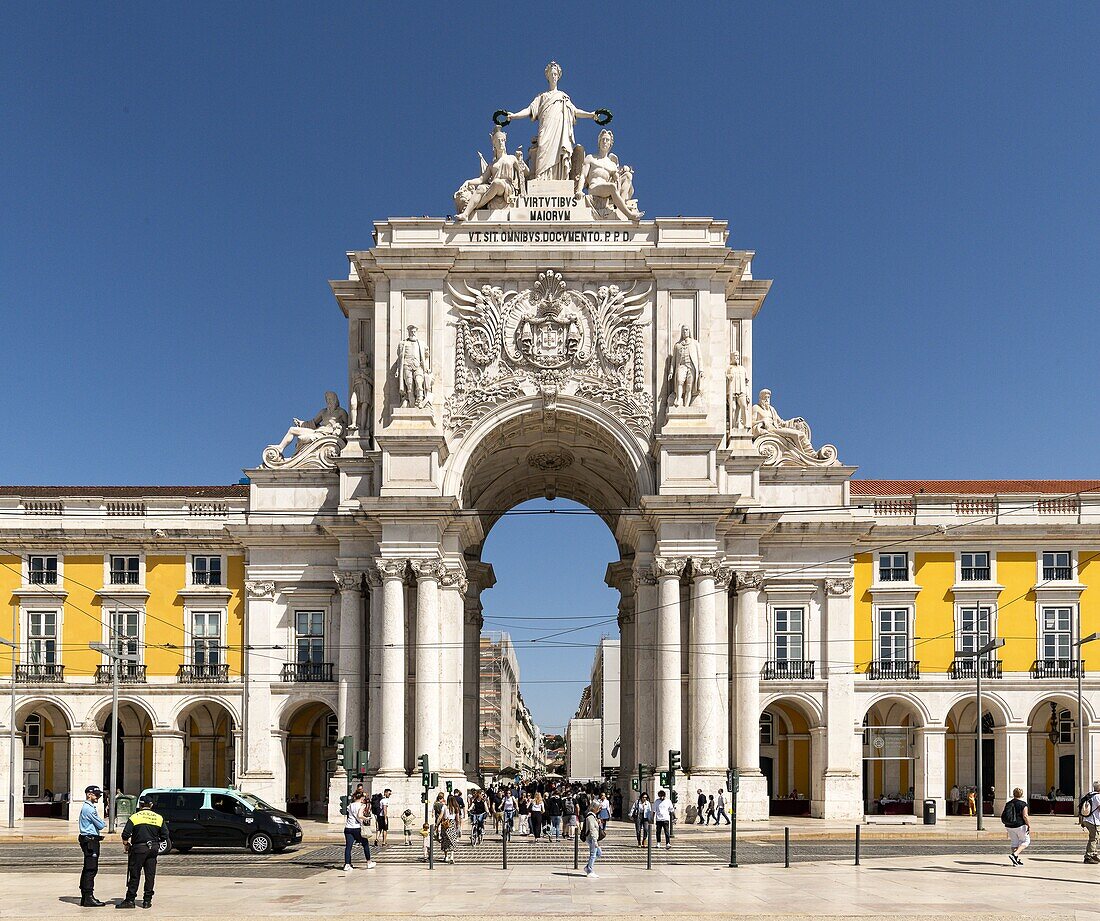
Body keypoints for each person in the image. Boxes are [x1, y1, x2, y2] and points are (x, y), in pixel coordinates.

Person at [117, 795, 169, 909]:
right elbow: (165, 836)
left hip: (139, 848)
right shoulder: (158, 818)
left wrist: (126, 844)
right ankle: (147, 901)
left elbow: (125, 834)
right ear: (151, 805)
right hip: (153, 849)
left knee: (135, 875)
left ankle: (130, 900)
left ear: (140, 805)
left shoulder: (135, 817)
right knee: (150, 875)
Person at [78, 785, 107, 907]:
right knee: (91, 868)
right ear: (89, 794)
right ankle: (88, 896)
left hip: (90, 839)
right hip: (90, 840)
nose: (99, 797)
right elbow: (100, 824)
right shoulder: (89, 809)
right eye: (96, 795)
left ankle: (86, 896)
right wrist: (103, 822)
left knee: (88, 868)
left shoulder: (89, 807)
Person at [342, 791, 376, 872]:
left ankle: (347, 865)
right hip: (357, 828)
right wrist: (366, 818)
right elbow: (360, 816)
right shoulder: (362, 805)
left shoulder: (350, 805)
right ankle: (369, 862)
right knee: (365, 844)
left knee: (348, 847)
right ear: (361, 798)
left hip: (348, 828)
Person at [1001, 787, 1032, 866]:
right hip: (1019, 825)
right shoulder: (1023, 804)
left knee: (1014, 842)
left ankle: (1015, 860)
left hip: (1009, 825)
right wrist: (1028, 825)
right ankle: (1015, 855)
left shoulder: (1008, 803)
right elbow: (1025, 815)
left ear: (1013, 794)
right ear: (1021, 795)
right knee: (1026, 841)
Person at [1080, 780, 1100, 864]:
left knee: (1095, 837)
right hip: (1093, 821)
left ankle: (1094, 854)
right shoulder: (1098, 796)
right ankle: (1088, 856)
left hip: (1087, 819)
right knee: (1093, 838)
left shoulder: (1090, 794)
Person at [581, 803, 602, 879]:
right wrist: (595, 841)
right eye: (598, 808)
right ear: (594, 808)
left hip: (594, 838)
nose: (599, 809)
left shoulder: (593, 816)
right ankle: (589, 870)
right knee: (593, 854)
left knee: (599, 853)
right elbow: (592, 829)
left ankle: (588, 867)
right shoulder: (590, 817)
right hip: (592, 838)